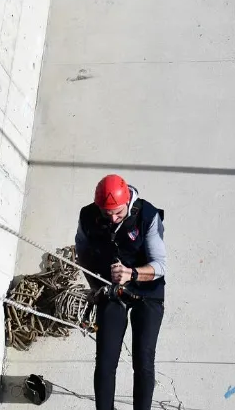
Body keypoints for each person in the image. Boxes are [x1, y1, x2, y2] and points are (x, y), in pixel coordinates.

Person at [75, 175, 167, 410]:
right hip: (111, 288)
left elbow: (160, 266)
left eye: (117, 212)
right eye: (107, 213)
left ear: (127, 201)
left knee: (143, 360)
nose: (113, 218)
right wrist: (96, 288)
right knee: (105, 360)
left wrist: (132, 274)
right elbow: (83, 255)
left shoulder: (148, 215)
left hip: (147, 290)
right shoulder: (88, 216)